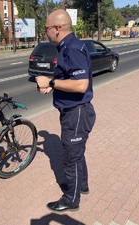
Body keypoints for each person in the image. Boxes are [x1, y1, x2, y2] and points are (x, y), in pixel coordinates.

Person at [36, 9, 96, 212]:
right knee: (77, 154)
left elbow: (80, 85)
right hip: (74, 112)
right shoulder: (66, 47)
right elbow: (69, 79)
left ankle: (72, 199)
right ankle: (82, 185)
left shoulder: (72, 48)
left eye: (46, 28)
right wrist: (52, 85)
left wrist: (51, 81)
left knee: (71, 158)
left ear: (57, 28)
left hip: (76, 114)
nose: (45, 32)